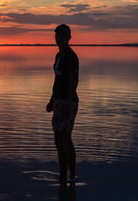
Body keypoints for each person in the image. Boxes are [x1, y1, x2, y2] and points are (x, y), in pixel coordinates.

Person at [46, 24, 79, 183]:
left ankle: (64, 177)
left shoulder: (71, 56)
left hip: (68, 102)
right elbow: (57, 80)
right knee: (61, 139)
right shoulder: (58, 56)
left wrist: (67, 101)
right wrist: (52, 100)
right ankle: (69, 175)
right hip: (58, 101)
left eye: (62, 35)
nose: (59, 38)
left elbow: (74, 80)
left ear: (68, 37)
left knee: (62, 140)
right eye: (57, 35)